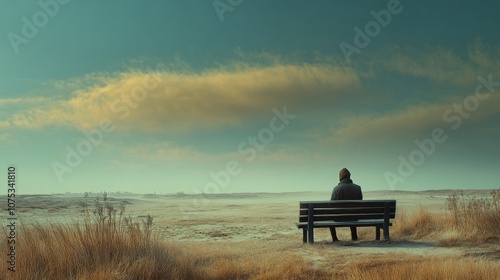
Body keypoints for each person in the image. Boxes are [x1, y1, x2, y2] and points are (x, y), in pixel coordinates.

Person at [329, 168, 363, 241]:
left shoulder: (336, 189)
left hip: (339, 218)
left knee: (330, 217)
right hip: (354, 217)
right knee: (352, 212)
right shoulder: (357, 188)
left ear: (340, 177)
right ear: (349, 176)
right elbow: (360, 202)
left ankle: (334, 238)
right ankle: (354, 236)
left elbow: (332, 205)